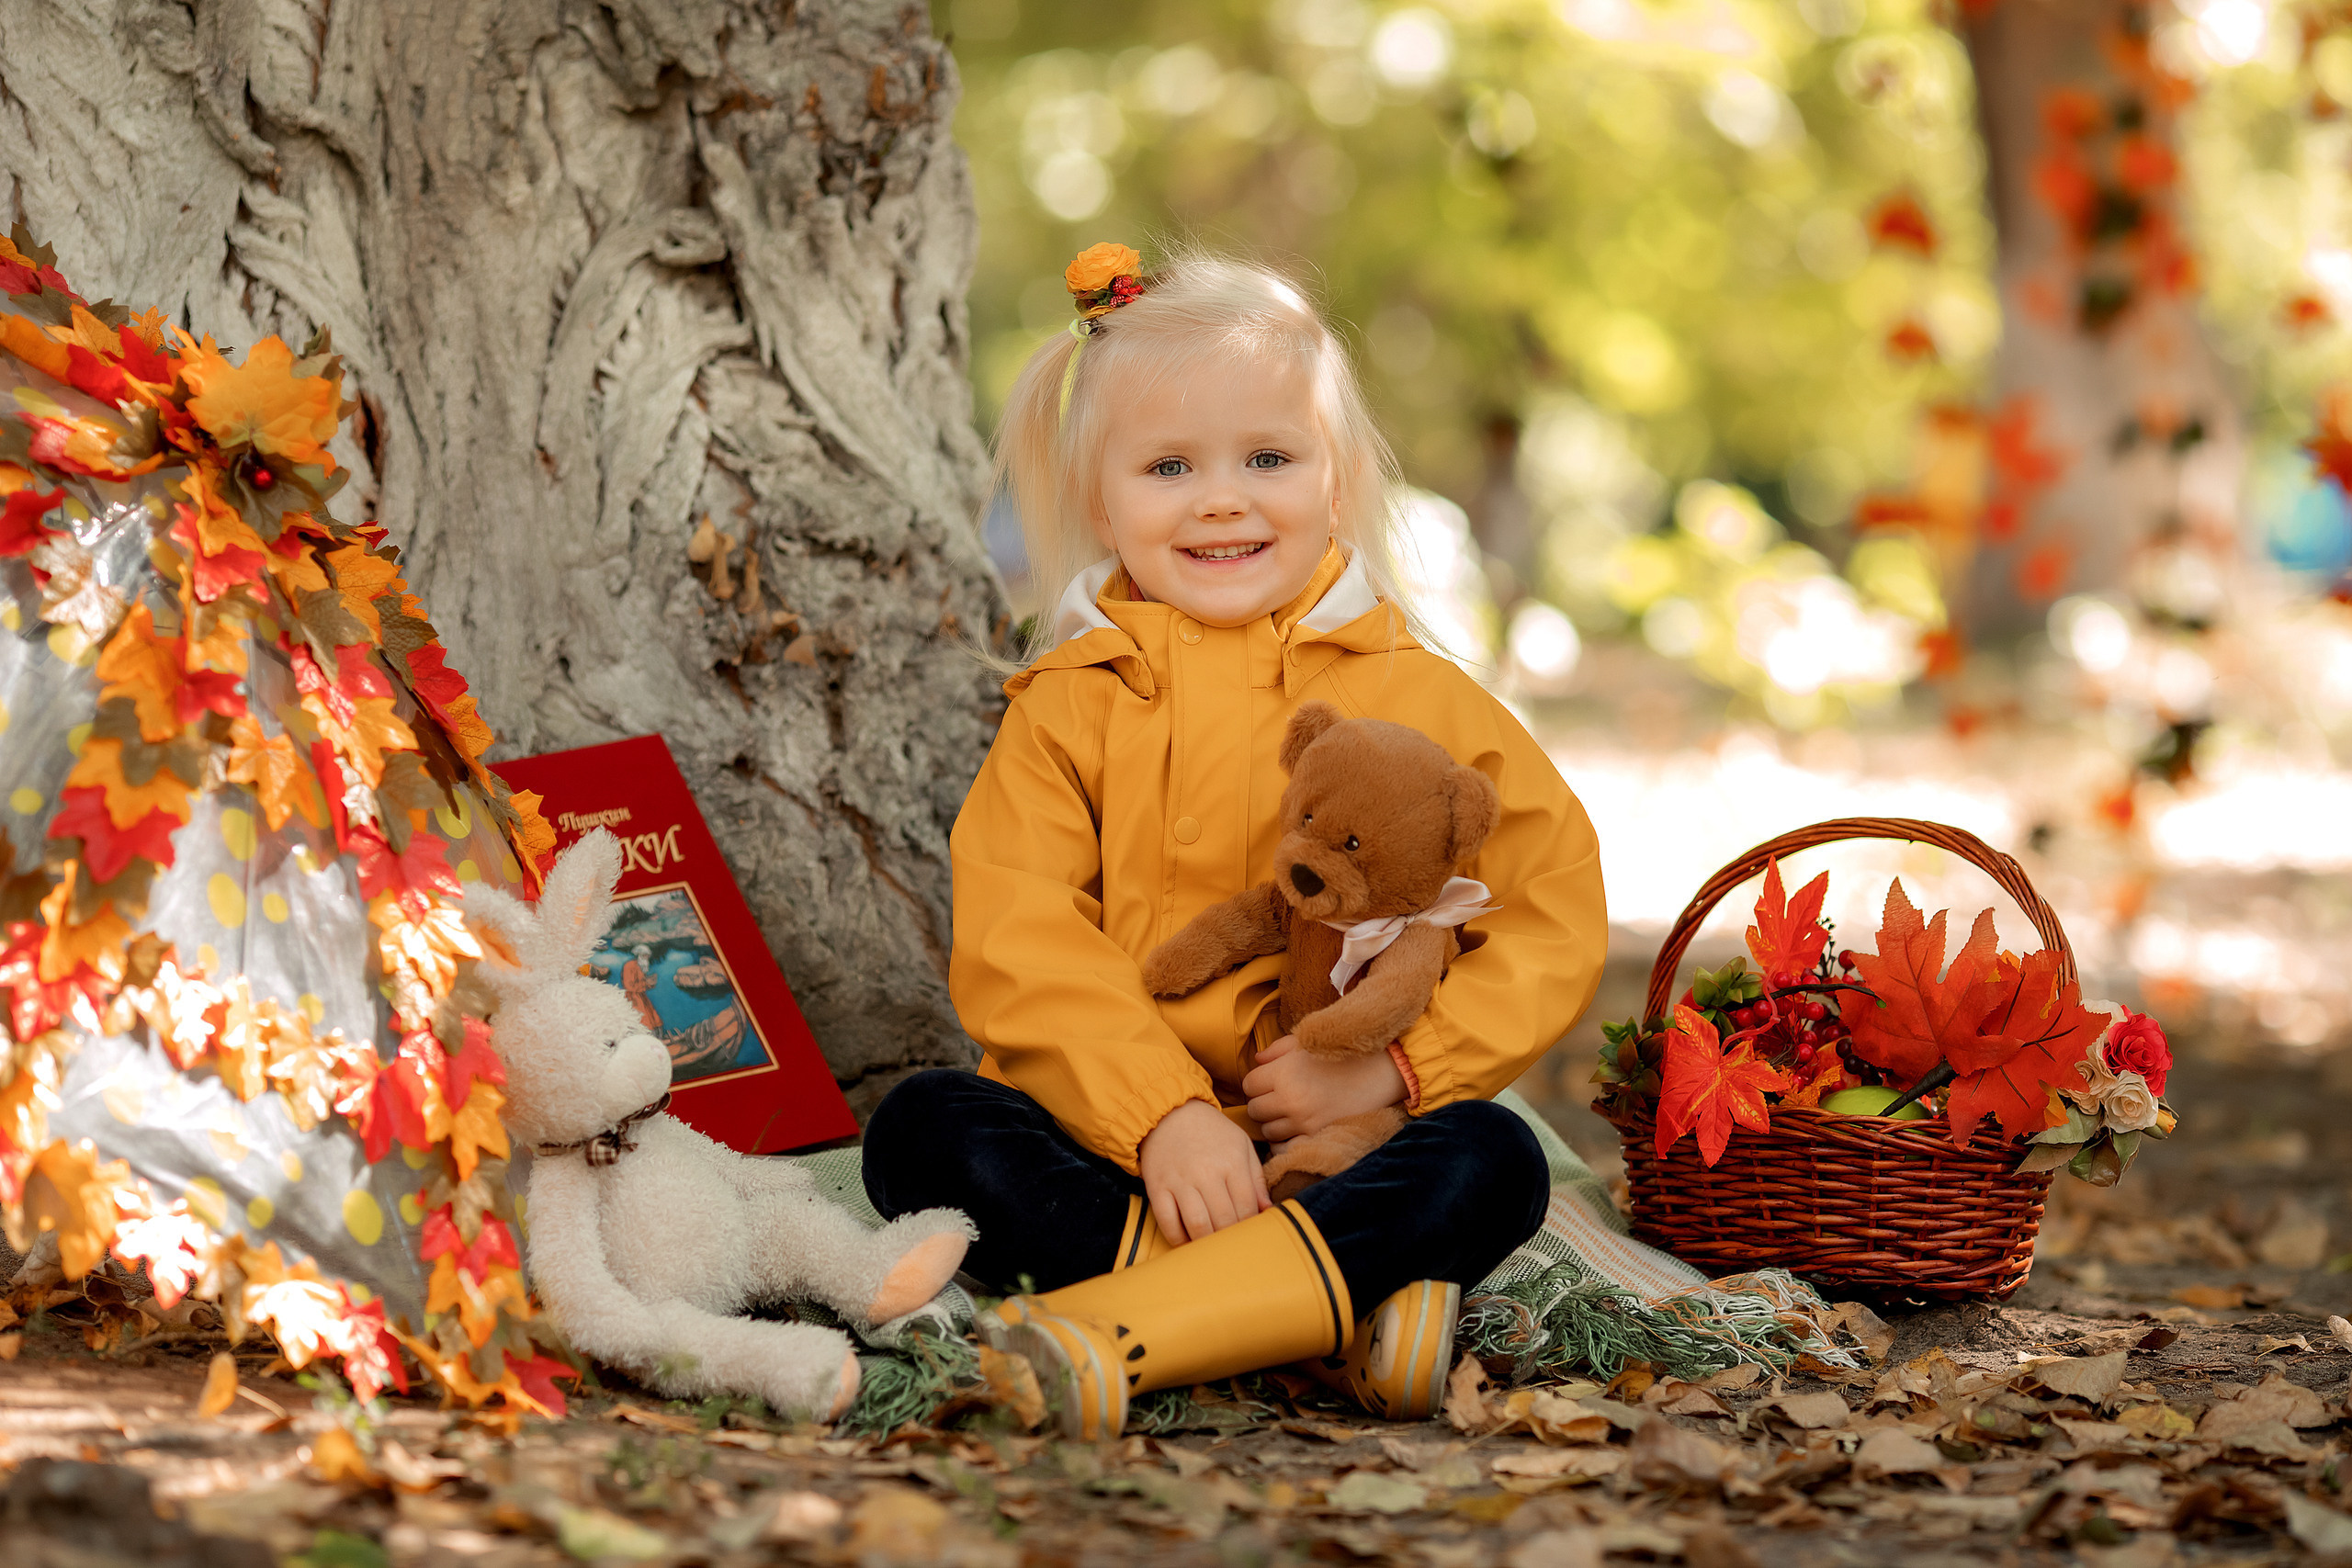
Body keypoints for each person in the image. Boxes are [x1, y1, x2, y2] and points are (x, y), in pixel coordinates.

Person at [862, 244, 1606, 1437]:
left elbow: (1548, 906)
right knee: (925, 1133)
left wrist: (1397, 1070)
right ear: (1101, 501)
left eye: (1268, 458)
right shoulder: (1069, 704)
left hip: (1343, 1135)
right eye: (1170, 467)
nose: (1222, 499)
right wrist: (1161, 1114)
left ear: (1335, 481)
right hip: (1114, 1141)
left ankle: (1119, 1329)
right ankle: (1324, 1319)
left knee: (1492, 1158)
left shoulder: (1417, 693)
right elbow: (1020, 934)